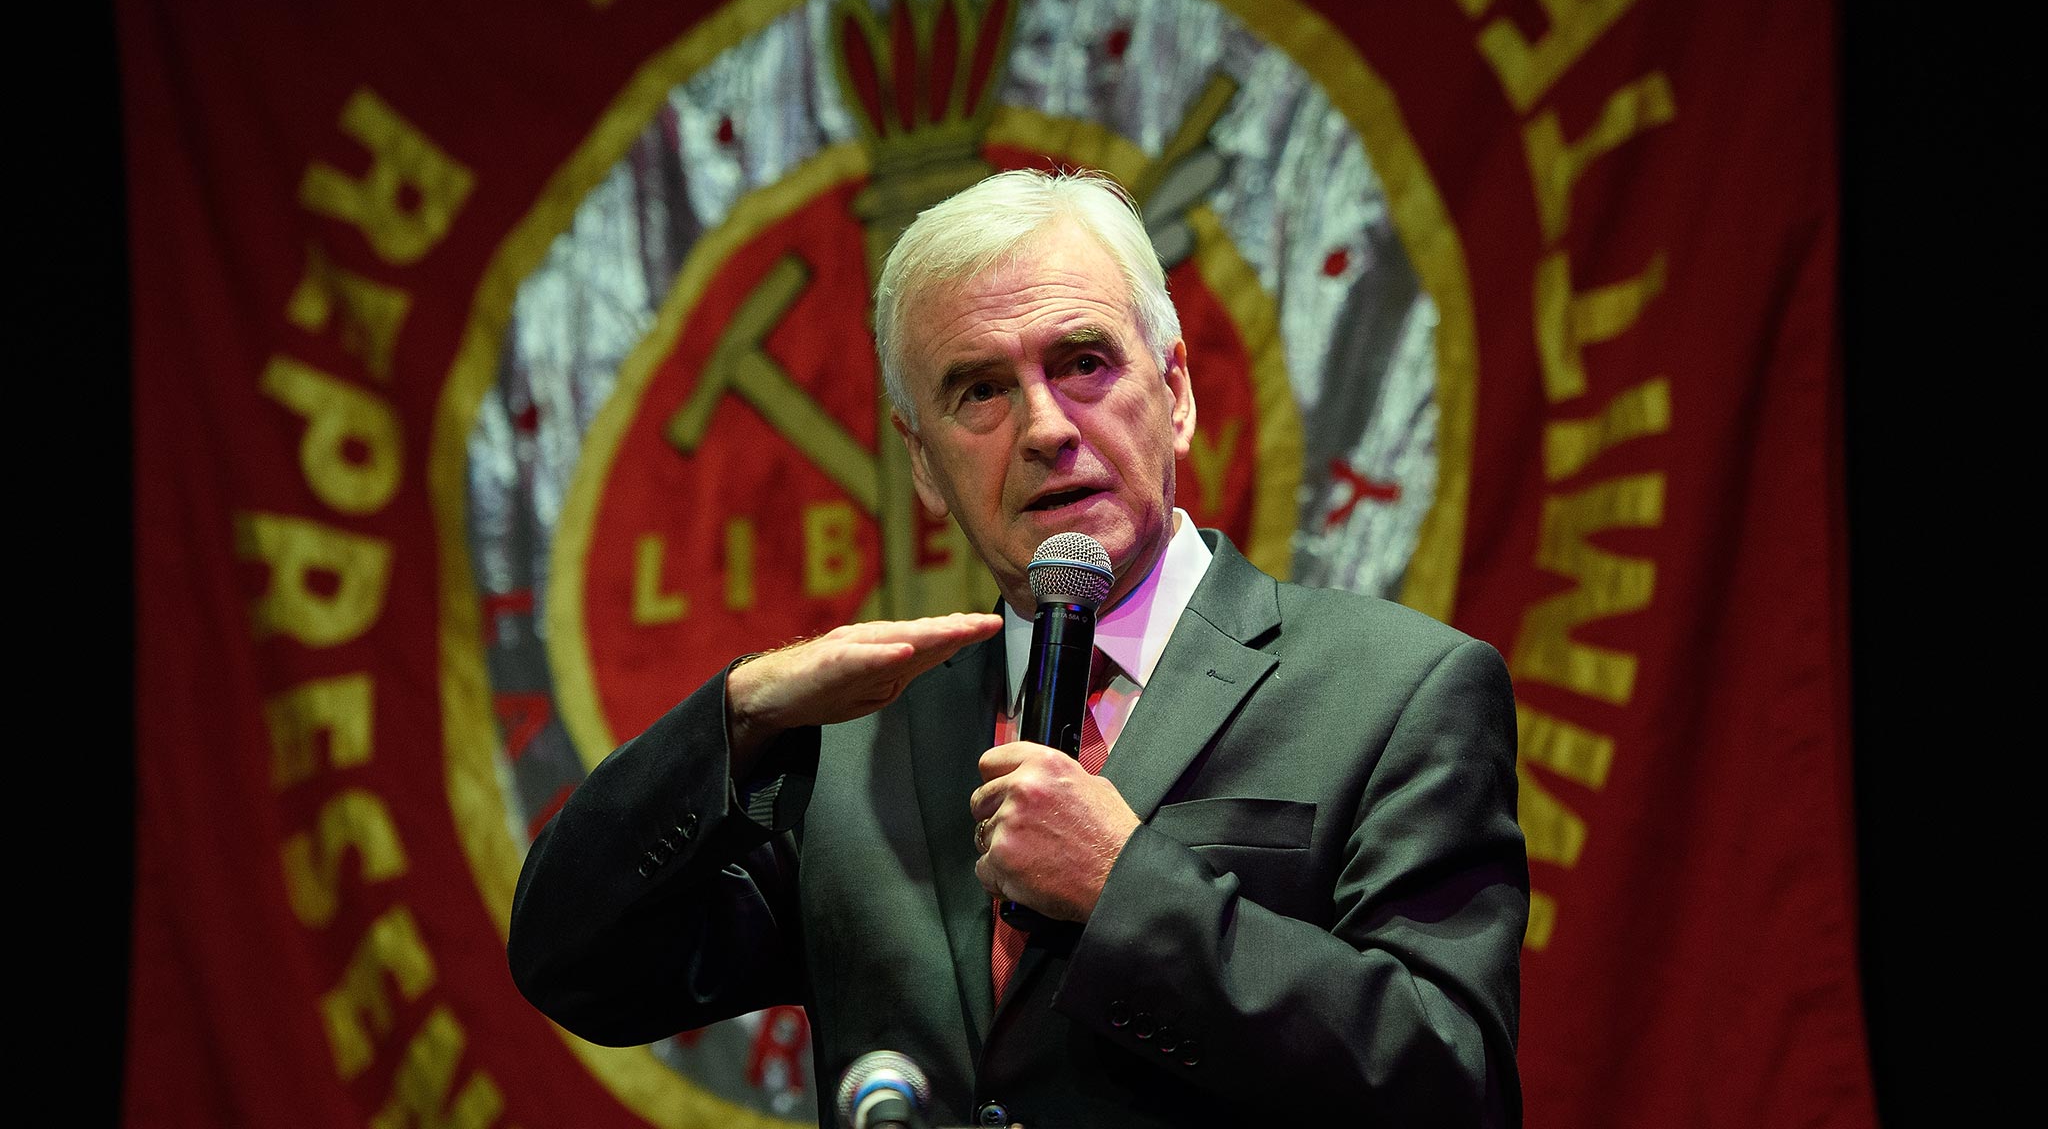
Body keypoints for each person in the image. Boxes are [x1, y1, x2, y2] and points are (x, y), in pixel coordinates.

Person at [508, 169, 1528, 1126]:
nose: (1044, 426)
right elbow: (576, 962)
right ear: (920, 460)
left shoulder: (1395, 692)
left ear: (1173, 393)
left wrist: (1126, 888)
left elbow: (1453, 1086)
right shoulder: (858, 739)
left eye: (1082, 362)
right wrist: (739, 713)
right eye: (979, 391)